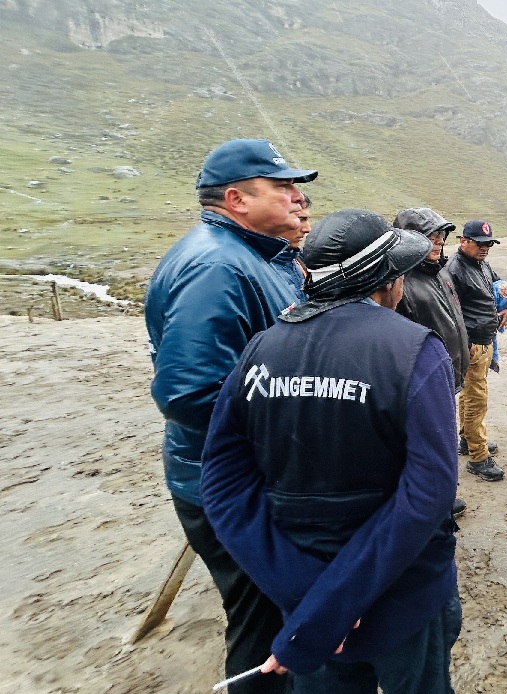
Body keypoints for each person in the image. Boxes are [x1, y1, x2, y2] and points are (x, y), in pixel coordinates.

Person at [200, 209, 460, 693]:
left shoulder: (261, 350)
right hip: (404, 590)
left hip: (302, 589)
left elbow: (222, 485)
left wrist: (312, 602)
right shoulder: (415, 352)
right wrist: (334, 605)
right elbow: (428, 494)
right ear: (387, 281)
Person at [144, 138, 317, 692]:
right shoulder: (218, 267)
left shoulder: (258, 256)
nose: (297, 197)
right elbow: (188, 392)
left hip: (244, 474)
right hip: (233, 482)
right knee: (264, 622)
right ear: (237, 198)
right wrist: (296, 419)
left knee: (274, 606)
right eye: (283, 185)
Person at [393, 207, 471, 518]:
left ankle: (440, 492)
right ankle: (433, 500)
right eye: (430, 235)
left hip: (448, 373)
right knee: (425, 442)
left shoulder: (440, 271)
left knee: (442, 438)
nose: (438, 241)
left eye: (440, 234)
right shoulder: (400, 280)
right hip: (422, 380)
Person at [445, 219, 507, 481]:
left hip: (484, 340)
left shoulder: (481, 264)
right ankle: (478, 456)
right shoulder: (454, 269)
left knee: (472, 394)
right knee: (476, 398)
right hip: (471, 344)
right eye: (479, 243)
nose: (485, 248)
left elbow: (498, 289)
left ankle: (467, 439)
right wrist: (465, 341)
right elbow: (451, 311)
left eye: (488, 244)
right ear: (463, 241)